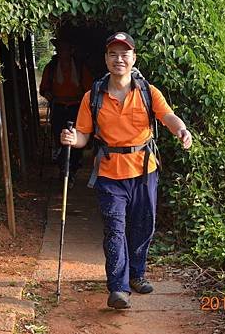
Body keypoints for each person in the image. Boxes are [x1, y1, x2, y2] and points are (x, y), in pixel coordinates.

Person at [60, 32, 192, 309]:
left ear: (133, 59)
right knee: (115, 230)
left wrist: (180, 129)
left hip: (145, 171)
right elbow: (84, 135)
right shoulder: (93, 95)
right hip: (109, 174)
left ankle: (136, 275)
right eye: (113, 54)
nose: (119, 59)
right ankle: (118, 288)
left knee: (144, 225)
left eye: (124, 54)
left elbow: (167, 115)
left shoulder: (147, 92)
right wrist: (73, 140)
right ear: (106, 59)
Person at [40, 37, 94, 187]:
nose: (63, 52)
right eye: (60, 49)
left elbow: (90, 89)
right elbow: (43, 88)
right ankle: (64, 170)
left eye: (66, 49)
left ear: (71, 51)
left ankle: (72, 169)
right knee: (60, 139)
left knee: (76, 140)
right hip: (58, 107)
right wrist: (49, 95)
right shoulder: (51, 68)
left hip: (77, 108)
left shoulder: (79, 67)